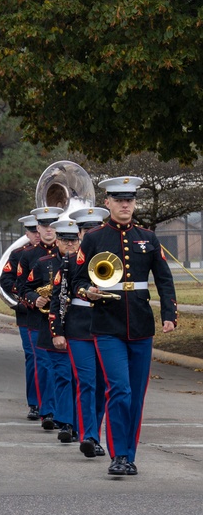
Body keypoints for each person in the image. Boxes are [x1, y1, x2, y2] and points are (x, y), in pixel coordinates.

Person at [73, 176, 177, 476]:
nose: (124, 204)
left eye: (129, 199)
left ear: (134, 203)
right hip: (107, 324)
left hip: (141, 326)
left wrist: (169, 314)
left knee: (136, 394)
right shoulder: (93, 238)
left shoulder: (148, 237)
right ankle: (118, 455)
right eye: (118, 199)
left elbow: (164, 279)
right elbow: (79, 279)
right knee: (119, 390)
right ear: (107, 203)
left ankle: (129, 454)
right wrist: (86, 292)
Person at [48, 212, 108, 451]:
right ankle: (89, 436)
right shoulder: (69, 263)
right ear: (81, 233)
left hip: (108, 327)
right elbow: (58, 300)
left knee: (103, 386)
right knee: (86, 382)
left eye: (95, 229)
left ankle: (96, 432)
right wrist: (57, 331)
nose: (89, 234)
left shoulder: (112, 259)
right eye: (86, 230)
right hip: (79, 328)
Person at [23, 216, 74, 440]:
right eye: (65, 240)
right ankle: (62, 421)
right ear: (58, 242)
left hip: (81, 327)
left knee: (78, 377)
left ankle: (74, 421)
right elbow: (25, 288)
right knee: (60, 374)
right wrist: (36, 299)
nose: (69, 245)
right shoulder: (43, 262)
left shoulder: (86, 263)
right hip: (51, 326)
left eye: (73, 241)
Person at [14, 206, 63, 430]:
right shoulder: (27, 255)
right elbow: (21, 287)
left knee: (63, 368)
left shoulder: (69, 250)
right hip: (37, 320)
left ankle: (63, 412)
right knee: (44, 365)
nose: (49, 229)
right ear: (38, 228)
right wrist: (35, 299)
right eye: (44, 226)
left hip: (64, 320)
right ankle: (47, 411)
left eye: (53, 225)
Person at [0, 215, 41, 421]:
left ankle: (52, 403)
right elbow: (5, 279)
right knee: (33, 358)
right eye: (33, 231)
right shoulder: (18, 255)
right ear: (27, 234)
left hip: (53, 314)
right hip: (28, 314)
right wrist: (25, 293)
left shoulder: (59, 252)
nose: (38, 234)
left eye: (40, 230)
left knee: (53, 360)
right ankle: (34, 403)